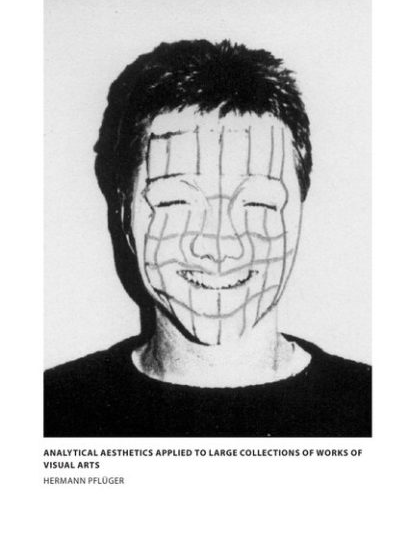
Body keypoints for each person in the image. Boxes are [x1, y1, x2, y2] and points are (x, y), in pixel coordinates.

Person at [44, 39, 371, 437]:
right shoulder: (48, 411)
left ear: (300, 210)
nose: (219, 244)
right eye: (176, 201)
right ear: (124, 213)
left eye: (258, 203)